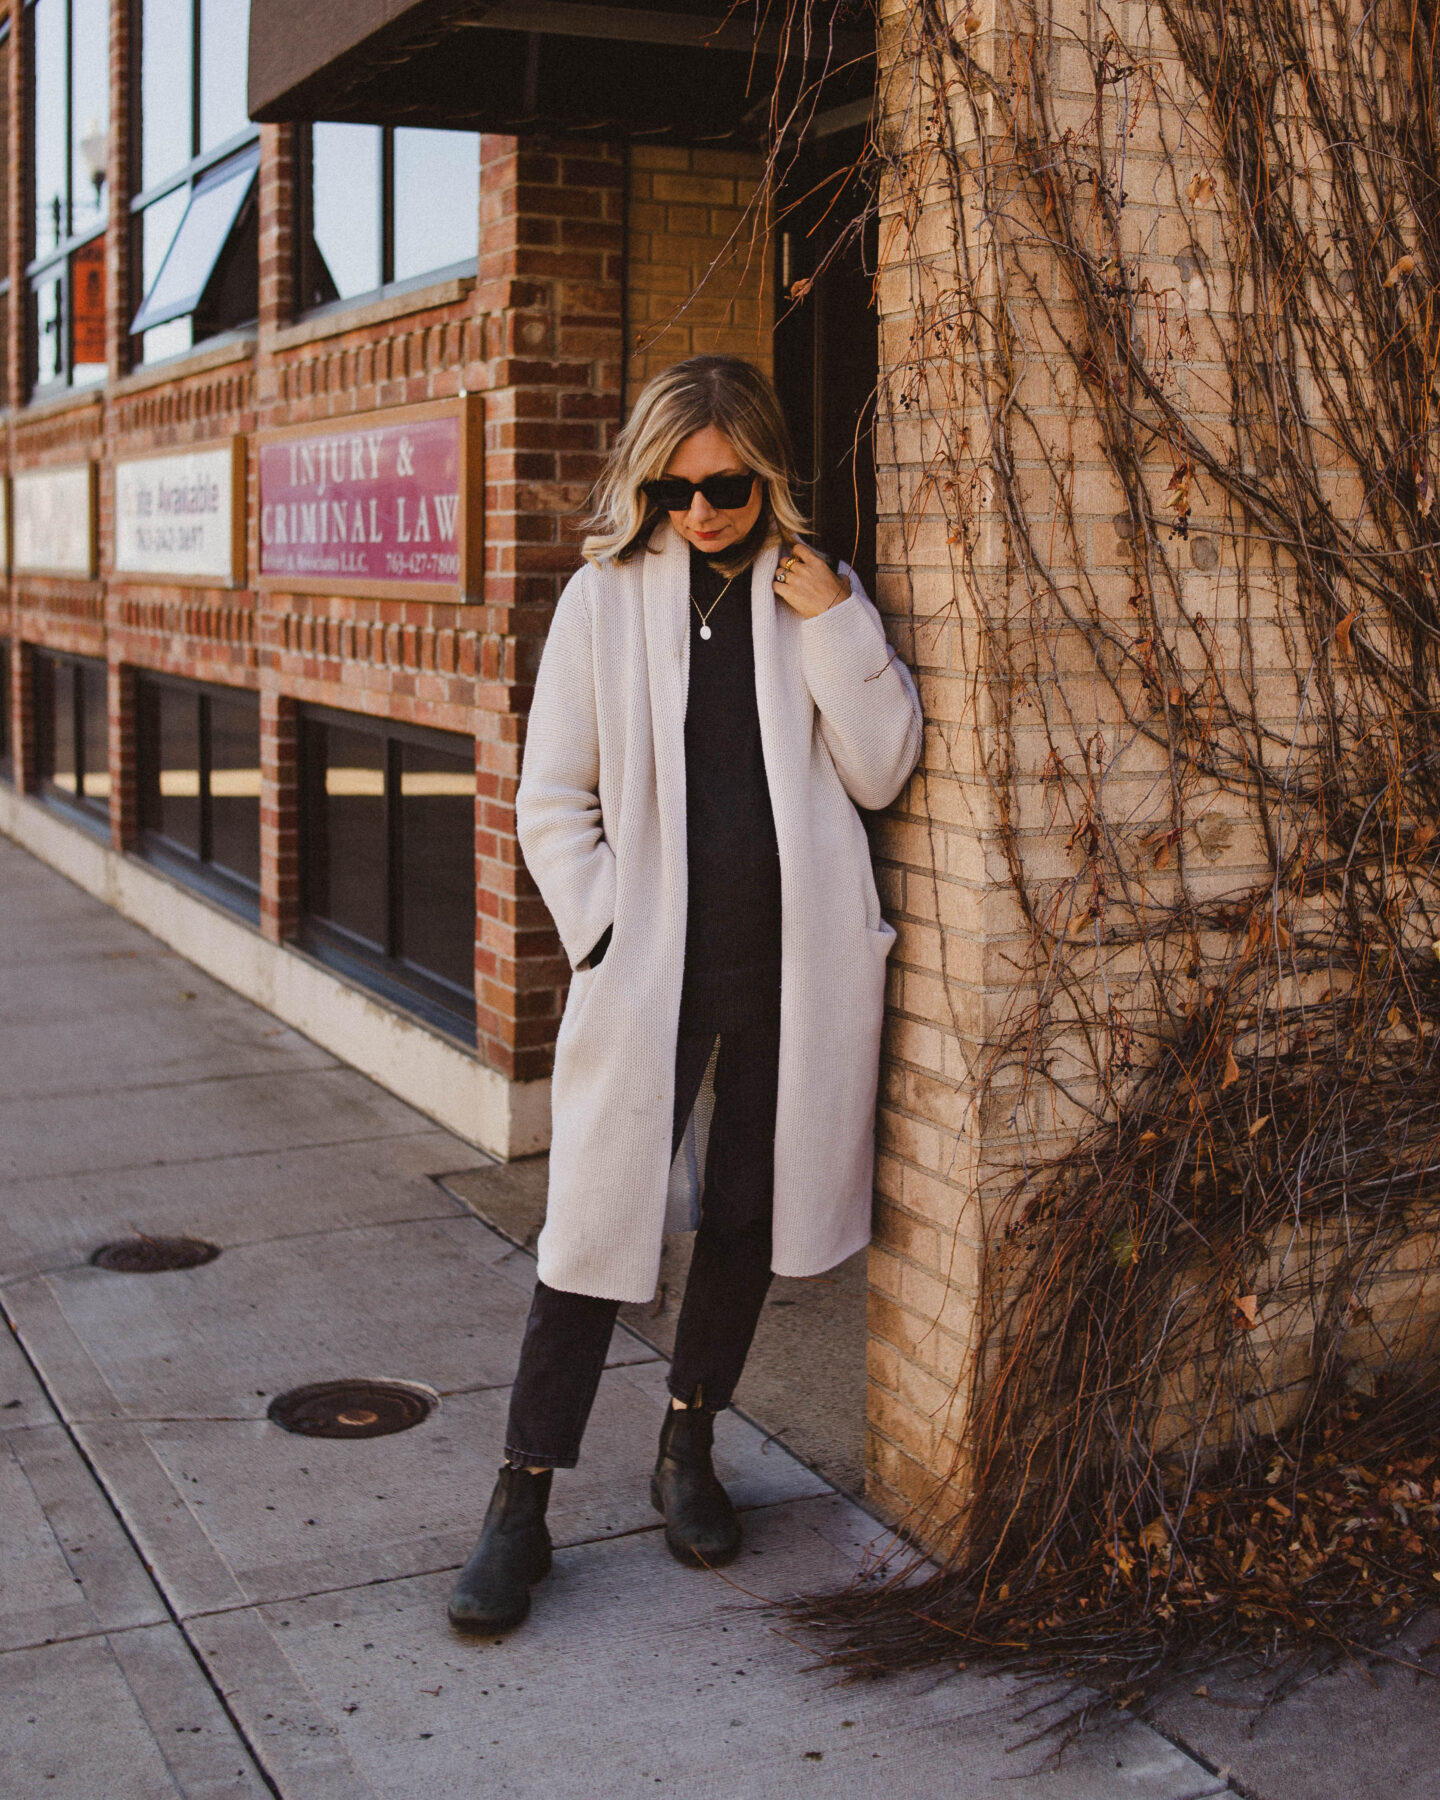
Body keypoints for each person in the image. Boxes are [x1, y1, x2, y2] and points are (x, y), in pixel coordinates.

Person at [448, 354, 922, 1634]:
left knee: (746, 1216)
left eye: (720, 487)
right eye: (669, 491)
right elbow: (552, 799)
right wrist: (604, 930)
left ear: (765, 473)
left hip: (791, 968)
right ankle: (521, 1501)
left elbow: (880, 772)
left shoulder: (815, 593)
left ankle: (688, 1445)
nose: (697, 513)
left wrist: (837, 623)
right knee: (592, 1234)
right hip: (650, 967)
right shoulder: (602, 602)